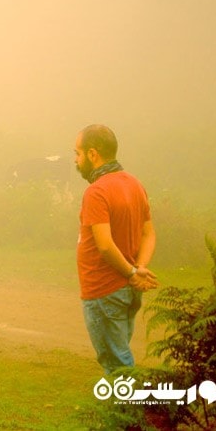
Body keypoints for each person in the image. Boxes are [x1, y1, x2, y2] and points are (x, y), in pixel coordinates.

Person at [74, 124, 159, 374]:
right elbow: (149, 233)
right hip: (127, 290)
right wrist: (139, 268)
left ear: (92, 154)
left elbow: (104, 245)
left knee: (117, 363)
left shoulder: (97, 191)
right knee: (120, 352)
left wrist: (133, 274)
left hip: (104, 290)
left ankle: (127, 411)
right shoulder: (134, 184)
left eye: (77, 154)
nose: (76, 161)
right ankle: (126, 409)